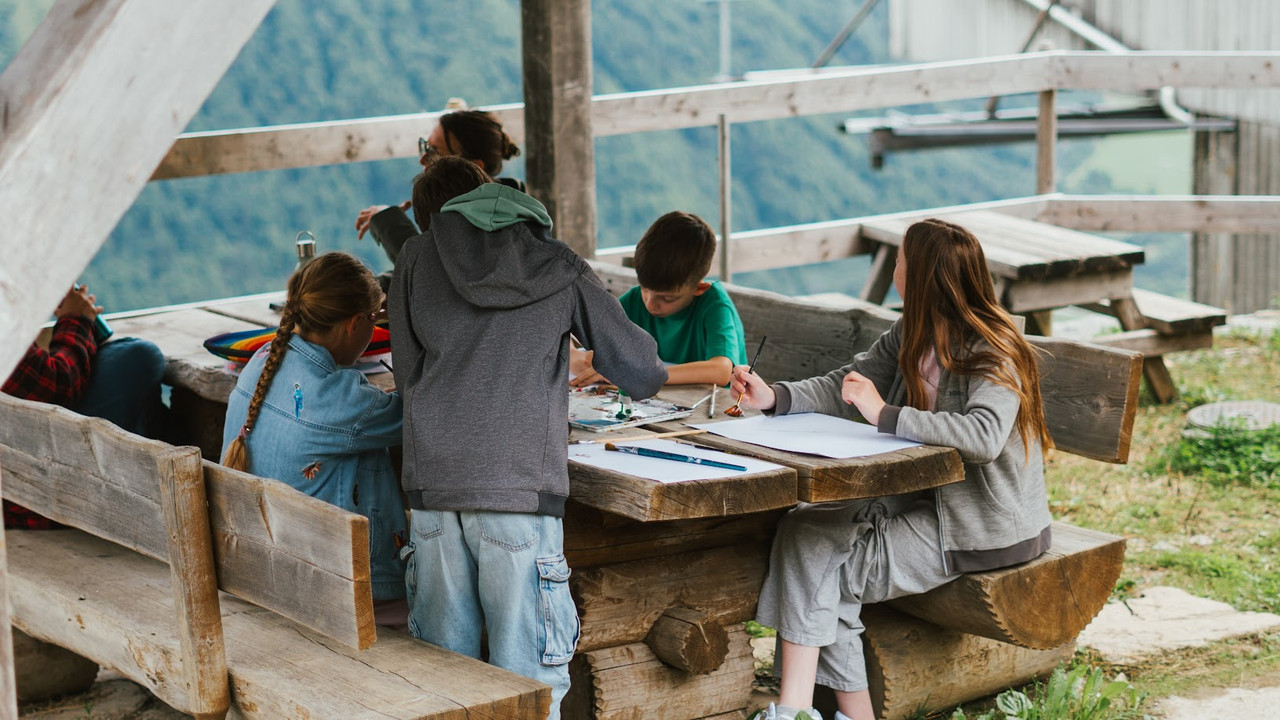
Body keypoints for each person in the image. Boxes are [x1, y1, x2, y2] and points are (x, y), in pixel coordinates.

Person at [729, 219, 1053, 720]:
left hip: (975, 521)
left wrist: (885, 414)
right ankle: (824, 714)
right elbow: (849, 384)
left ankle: (796, 711)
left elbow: (985, 437)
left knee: (822, 571)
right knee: (802, 530)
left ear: (919, 275)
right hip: (916, 492)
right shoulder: (911, 331)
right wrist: (775, 397)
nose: (895, 267)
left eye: (900, 260)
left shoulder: (995, 346)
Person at [389, 156, 667, 719]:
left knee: (444, 685)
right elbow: (642, 371)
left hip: (434, 490)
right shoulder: (559, 267)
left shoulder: (416, 257)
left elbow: (406, 372)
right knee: (532, 683)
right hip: (520, 490)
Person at [220, 252, 409, 623]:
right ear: (355, 324)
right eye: (375, 320)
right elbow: (420, 417)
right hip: (326, 593)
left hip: (262, 570)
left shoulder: (260, 360)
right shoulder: (341, 400)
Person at [3, 284, 166, 530]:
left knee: (121, 361)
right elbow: (56, 386)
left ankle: (149, 473)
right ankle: (138, 490)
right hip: (26, 495)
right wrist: (76, 319)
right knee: (139, 357)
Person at [569, 211, 747, 388]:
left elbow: (721, 371)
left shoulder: (715, 305)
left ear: (699, 289)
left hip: (716, 410)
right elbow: (580, 332)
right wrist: (574, 356)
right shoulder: (634, 300)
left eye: (667, 298)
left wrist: (642, 374)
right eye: (645, 289)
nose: (650, 304)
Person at [355, 107, 523, 284]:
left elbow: (434, 274)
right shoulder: (508, 202)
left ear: (474, 166)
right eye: (425, 147)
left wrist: (388, 222)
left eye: (435, 151)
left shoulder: (497, 224)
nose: (422, 159)